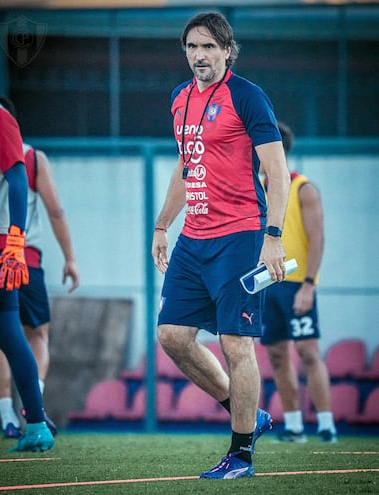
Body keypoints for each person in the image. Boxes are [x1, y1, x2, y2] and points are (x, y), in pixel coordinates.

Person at [151, 12, 290, 479]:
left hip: (242, 235)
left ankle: (242, 454)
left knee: (237, 342)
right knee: (171, 336)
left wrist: (273, 237)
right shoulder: (180, 99)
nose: (199, 55)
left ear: (228, 50)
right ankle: (247, 412)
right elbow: (185, 167)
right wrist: (161, 227)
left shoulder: (248, 96)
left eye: (209, 46)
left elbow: (278, 171)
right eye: (192, 47)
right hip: (194, 238)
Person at [0, 96, 80, 439]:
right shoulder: (30, 156)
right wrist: (70, 258)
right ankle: (34, 407)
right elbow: (56, 211)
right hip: (22, 253)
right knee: (36, 334)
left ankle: (8, 416)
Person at [0, 49, 54, 452]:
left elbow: (15, 176)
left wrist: (14, 238)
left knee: (16, 334)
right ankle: (37, 426)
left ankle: (30, 422)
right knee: (9, 335)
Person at [261, 121, 337, 443]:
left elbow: (317, 239)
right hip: (268, 283)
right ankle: (293, 426)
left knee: (308, 352)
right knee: (277, 355)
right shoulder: (256, 188)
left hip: (298, 284)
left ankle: (326, 425)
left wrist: (309, 284)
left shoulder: (303, 187)